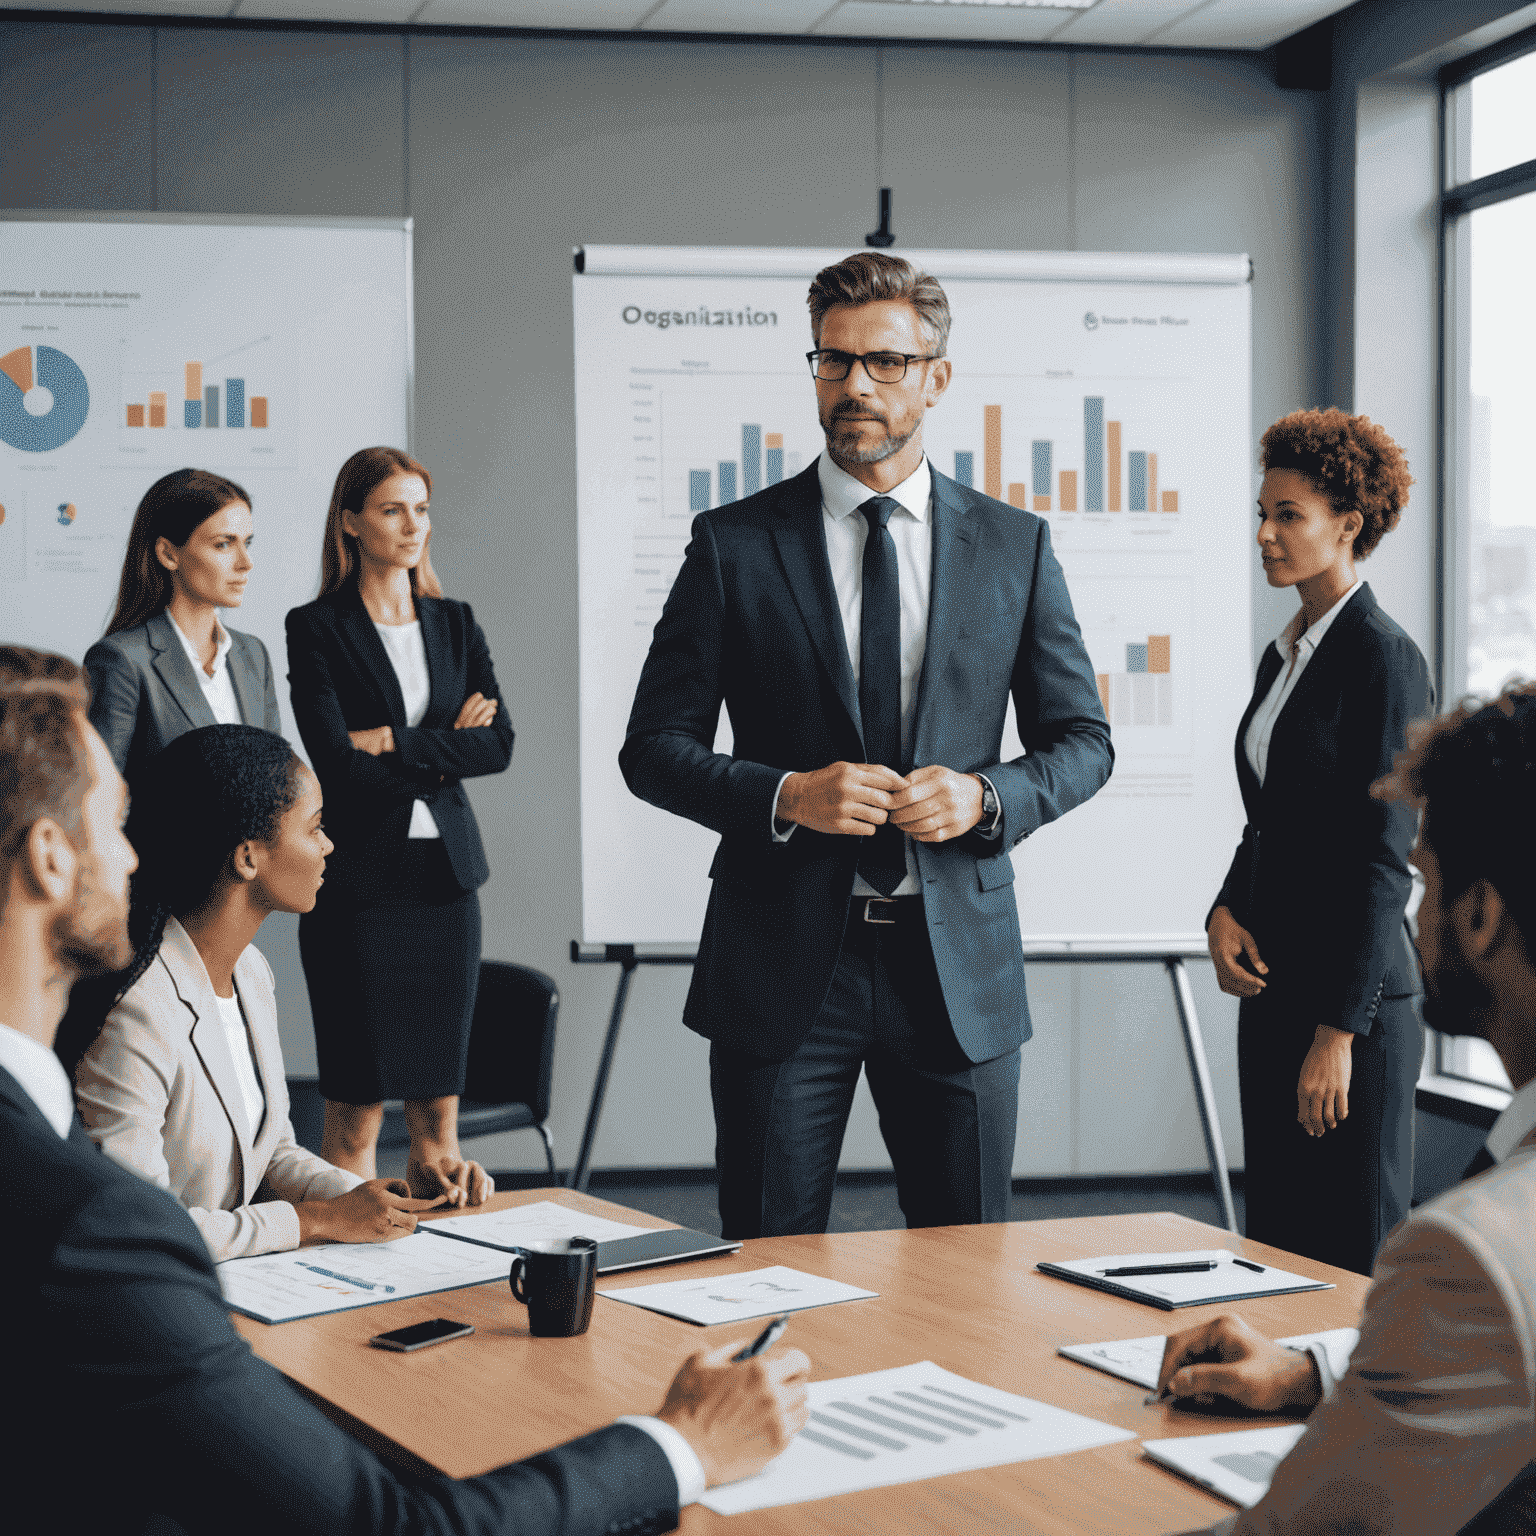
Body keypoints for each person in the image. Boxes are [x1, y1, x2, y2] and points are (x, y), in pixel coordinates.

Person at [0, 643, 810, 1536]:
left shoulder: (247, 985)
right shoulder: (91, 1219)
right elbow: (399, 1530)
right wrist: (683, 1443)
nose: (130, 853)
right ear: (48, 858)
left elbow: (264, 1148)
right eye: (111, 823)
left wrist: (357, 1192)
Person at [620, 251, 1112, 1239]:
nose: (854, 386)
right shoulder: (733, 544)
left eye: (884, 363)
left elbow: (1083, 741)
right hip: (782, 965)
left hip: (956, 970)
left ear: (935, 377)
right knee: (765, 1264)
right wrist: (783, 794)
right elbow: (653, 747)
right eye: (833, 361)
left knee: (970, 1274)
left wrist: (988, 799)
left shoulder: (1014, 545)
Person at [1159, 682, 1536, 1535]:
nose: (1417, 916)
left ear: (1479, 917)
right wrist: (1318, 1373)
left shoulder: (1472, 1253)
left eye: (1423, 885)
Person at [75, 724, 453, 1261]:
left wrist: (375, 1199)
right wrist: (314, 1220)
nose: (327, 844)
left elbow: (268, 1151)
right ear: (248, 857)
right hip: (148, 1301)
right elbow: (140, 1230)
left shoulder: (251, 973)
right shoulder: (138, 1009)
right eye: (314, 827)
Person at [1206, 409, 1432, 1275]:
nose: (1264, 534)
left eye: (1287, 515)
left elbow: (1385, 856)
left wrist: (1340, 1032)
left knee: (1352, 1255)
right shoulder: (1285, 654)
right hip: (1273, 995)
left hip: (1353, 1012)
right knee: (1277, 1252)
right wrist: (1225, 909)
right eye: (1261, 513)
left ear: (1348, 525)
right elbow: (1270, 819)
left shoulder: (1384, 659)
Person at [286, 448, 513, 1205]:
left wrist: (395, 740)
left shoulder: (455, 623)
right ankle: (338, 1269)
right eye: (392, 509)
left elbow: (499, 743)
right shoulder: (316, 627)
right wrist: (445, 747)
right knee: (353, 1118)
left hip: (446, 889)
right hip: (357, 889)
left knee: (439, 1131)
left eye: (420, 508)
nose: (412, 525)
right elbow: (334, 763)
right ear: (351, 521)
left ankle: (435, 1273)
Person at [84, 468, 281, 784]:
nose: (246, 562)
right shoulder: (122, 661)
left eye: (247, 542)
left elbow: (275, 782)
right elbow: (100, 796)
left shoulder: (252, 654)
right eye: (223, 544)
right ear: (167, 553)